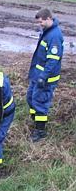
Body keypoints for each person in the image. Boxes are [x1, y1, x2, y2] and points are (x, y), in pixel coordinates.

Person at [27, 8, 64, 142]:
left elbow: (53, 60)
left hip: (46, 78)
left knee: (39, 102)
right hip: (37, 76)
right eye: (38, 22)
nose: (40, 25)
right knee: (30, 98)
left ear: (49, 18)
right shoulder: (47, 32)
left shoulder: (54, 36)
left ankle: (40, 131)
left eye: (41, 22)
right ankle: (35, 121)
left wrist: (43, 76)